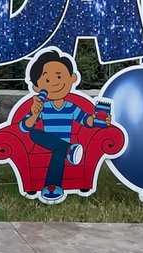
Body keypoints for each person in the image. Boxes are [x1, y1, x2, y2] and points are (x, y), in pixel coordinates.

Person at [20, 50, 109, 202]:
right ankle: (69, 149)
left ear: (72, 78)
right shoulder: (43, 107)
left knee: (58, 151)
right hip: (46, 142)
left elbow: (85, 120)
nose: (54, 82)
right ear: (37, 87)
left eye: (59, 76)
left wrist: (97, 119)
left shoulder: (71, 107)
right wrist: (34, 113)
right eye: (46, 80)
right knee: (34, 133)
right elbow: (24, 127)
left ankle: (52, 187)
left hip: (57, 146)